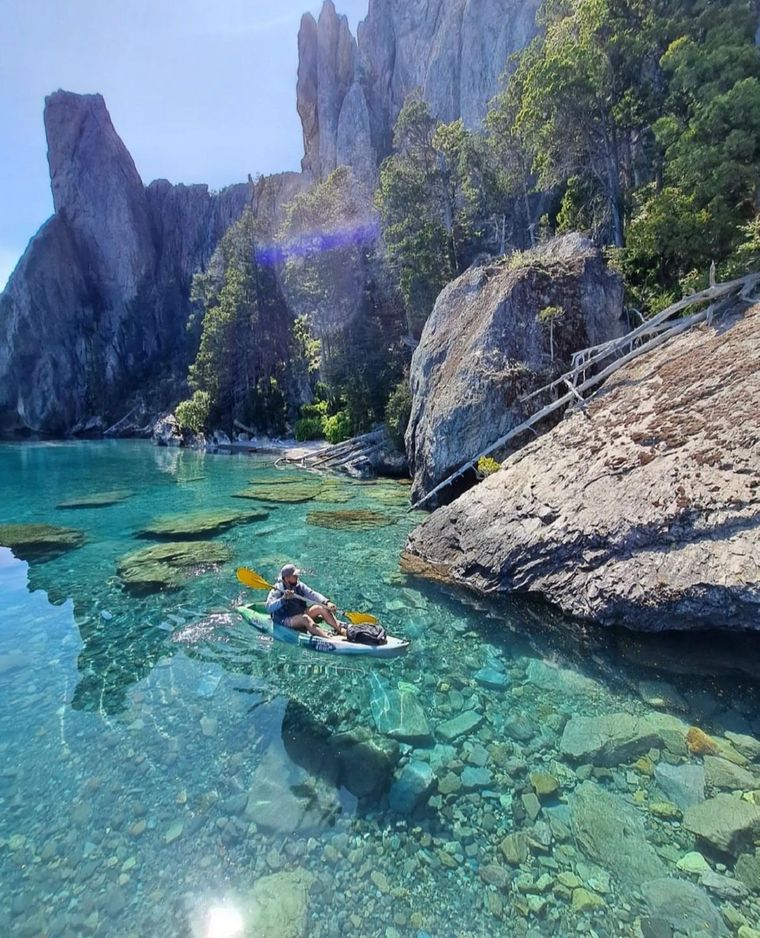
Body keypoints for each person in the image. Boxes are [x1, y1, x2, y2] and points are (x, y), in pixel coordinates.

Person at [265, 564, 347, 639]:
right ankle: (328, 638)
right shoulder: (277, 590)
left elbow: (312, 594)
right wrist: (283, 599)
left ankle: (341, 630)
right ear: (287, 578)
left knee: (321, 608)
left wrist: (326, 602)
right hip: (285, 619)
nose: (297, 577)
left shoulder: (299, 585)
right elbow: (268, 608)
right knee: (305, 618)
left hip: (299, 612)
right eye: (295, 576)